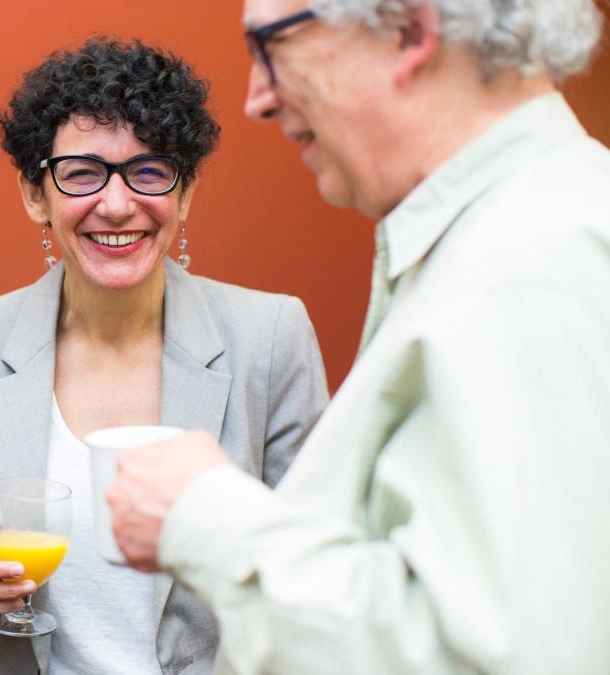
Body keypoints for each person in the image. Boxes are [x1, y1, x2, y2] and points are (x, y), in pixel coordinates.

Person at [106, 1, 610, 673]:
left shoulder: (529, 266)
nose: (256, 97)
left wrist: (204, 516)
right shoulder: (512, 234)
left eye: (269, 45)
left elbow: (494, 654)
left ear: (407, 29)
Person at [0, 38, 328, 674]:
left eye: (149, 172)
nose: (116, 204)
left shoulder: (270, 336)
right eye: (82, 173)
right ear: (36, 195)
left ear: (185, 192)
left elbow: (319, 554)